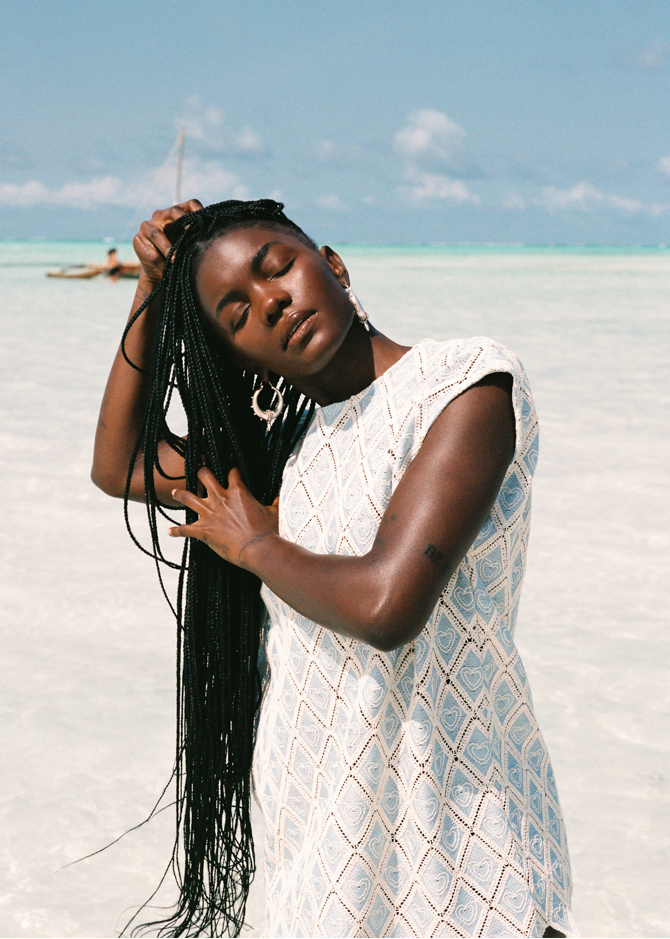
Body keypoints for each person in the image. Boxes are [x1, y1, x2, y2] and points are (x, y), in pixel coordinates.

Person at [91, 199, 577, 938]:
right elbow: (117, 461)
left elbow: (388, 605)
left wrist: (256, 545)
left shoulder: (465, 385)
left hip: (461, 840)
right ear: (240, 356)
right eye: (235, 311)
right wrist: (151, 287)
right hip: (321, 844)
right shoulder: (278, 460)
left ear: (334, 264)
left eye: (276, 267)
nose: (271, 302)